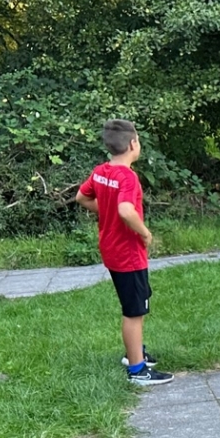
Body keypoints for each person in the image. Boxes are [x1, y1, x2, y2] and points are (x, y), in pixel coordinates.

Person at [76, 119, 172, 387]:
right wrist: (145, 233)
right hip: (128, 253)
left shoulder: (101, 171)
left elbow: (82, 197)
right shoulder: (127, 177)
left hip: (111, 249)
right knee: (134, 311)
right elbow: (126, 210)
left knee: (135, 302)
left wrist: (106, 211)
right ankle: (137, 369)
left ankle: (135, 352)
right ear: (133, 144)